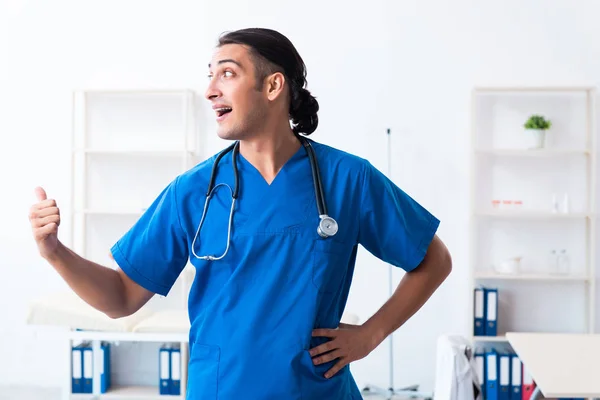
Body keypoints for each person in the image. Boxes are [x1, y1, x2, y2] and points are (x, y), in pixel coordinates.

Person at [29, 27, 452, 399]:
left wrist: (370, 335)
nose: (211, 89)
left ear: (273, 86)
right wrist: (55, 253)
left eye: (227, 73)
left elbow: (434, 261)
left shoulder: (347, 179)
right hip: (221, 390)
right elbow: (120, 298)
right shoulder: (193, 192)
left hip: (316, 391)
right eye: (209, 75)